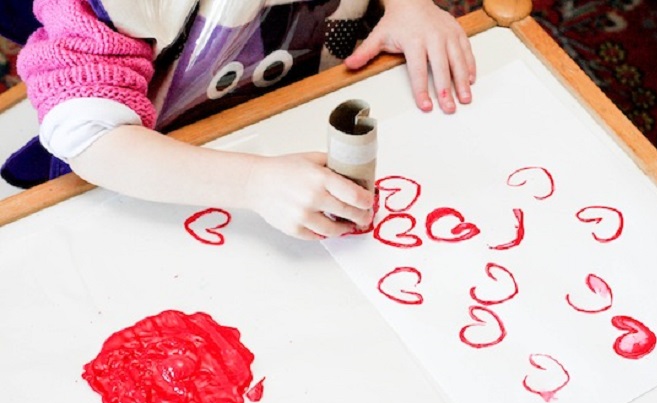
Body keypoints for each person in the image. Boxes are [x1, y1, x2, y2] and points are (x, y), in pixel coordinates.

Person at [5, 0, 476, 240]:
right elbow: (88, 136)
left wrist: (411, 7)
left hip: (305, 100)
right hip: (176, 174)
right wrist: (252, 184)